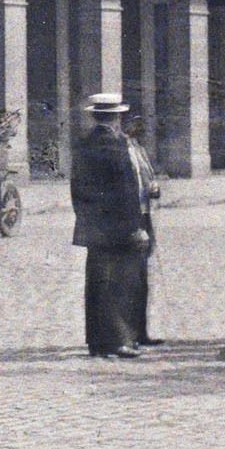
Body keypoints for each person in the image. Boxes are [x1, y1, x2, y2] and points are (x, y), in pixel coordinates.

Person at [71, 92, 150, 360]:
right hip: (119, 226)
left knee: (97, 283)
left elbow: (77, 189)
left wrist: (86, 218)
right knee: (120, 284)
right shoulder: (117, 145)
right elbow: (126, 190)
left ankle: (97, 342)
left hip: (94, 226)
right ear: (116, 117)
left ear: (95, 116)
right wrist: (135, 226)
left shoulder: (84, 144)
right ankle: (119, 340)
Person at [123, 118, 162, 346]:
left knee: (142, 277)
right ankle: (127, 333)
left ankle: (141, 331)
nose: (139, 128)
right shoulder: (122, 150)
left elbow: (147, 177)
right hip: (130, 217)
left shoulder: (139, 149)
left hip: (144, 215)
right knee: (130, 276)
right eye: (134, 123)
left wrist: (154, 188)